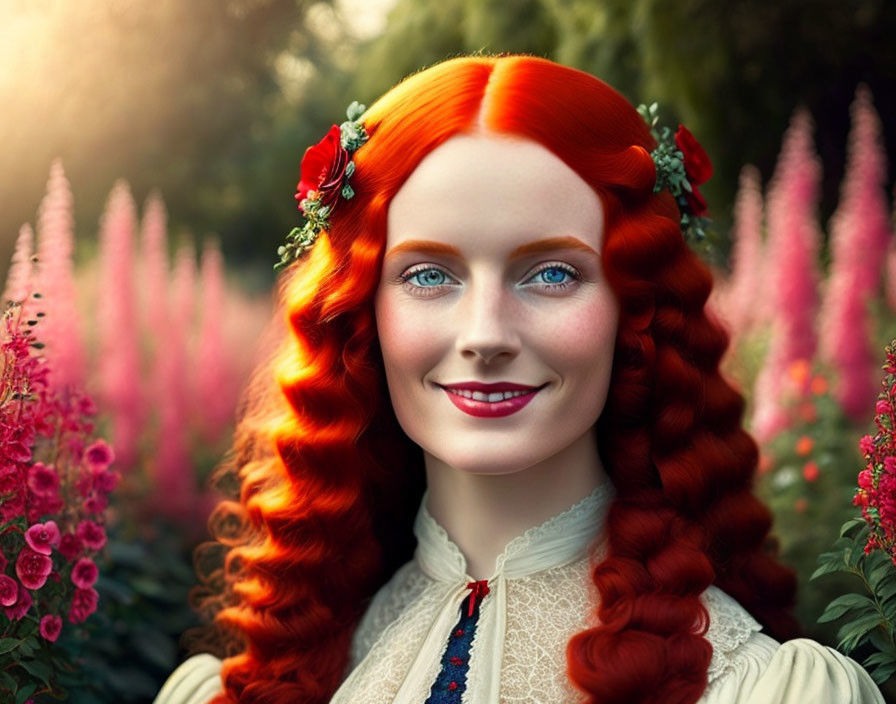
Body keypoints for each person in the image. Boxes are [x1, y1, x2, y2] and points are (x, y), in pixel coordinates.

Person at [153, 54, 885, 704]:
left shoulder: (765, 691)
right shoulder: (251, 686)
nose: (485, 336)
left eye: (553, 273)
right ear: (360, 314)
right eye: (429, 275)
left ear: (637, 310)